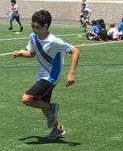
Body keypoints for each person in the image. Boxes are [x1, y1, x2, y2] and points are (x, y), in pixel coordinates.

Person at [12, 10, 81, 140]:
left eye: (36, 27)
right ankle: (57, 129)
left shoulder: (55, 41)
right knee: (41, 103)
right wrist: (21, 53)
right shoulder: (33, 36)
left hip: (51, 77)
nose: (33, 29)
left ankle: (52, 108)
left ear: (45, 26)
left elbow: (75, 51)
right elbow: (32, 53)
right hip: (41, 75)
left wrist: (71, 73)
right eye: (32, 26)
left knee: (27, 99)